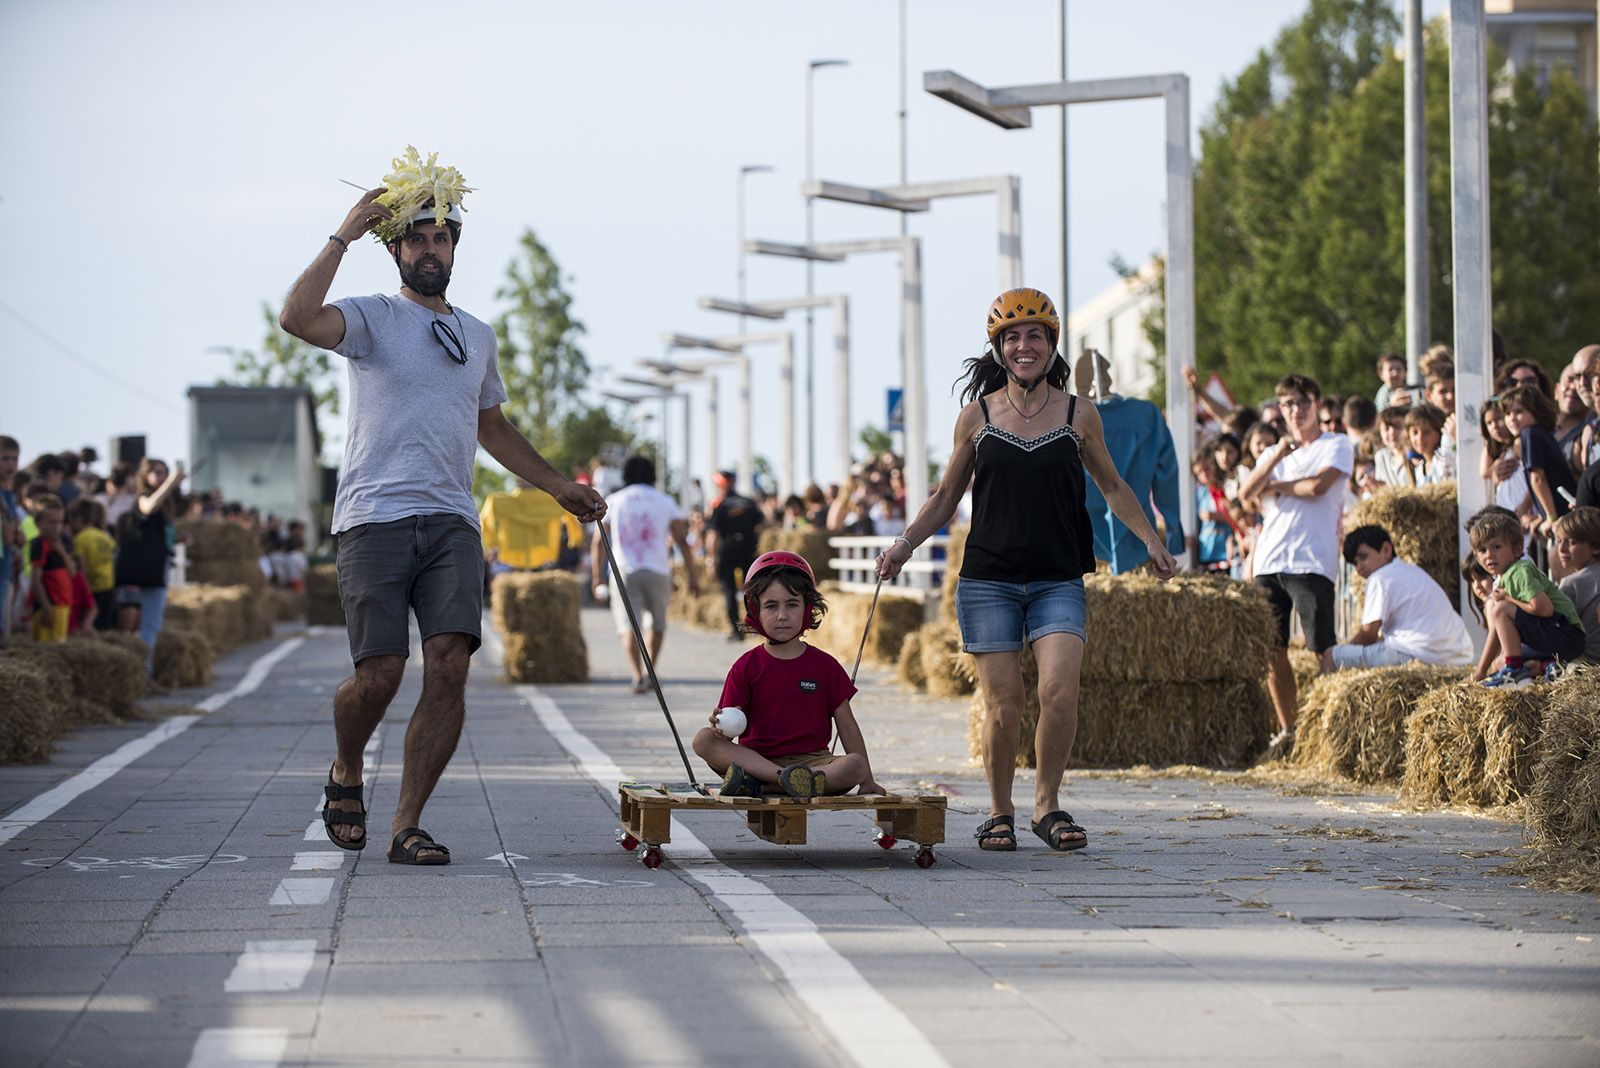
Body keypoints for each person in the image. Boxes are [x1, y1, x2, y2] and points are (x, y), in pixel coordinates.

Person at [278, 176, 605, 865]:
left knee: (450, 663)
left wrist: (556, 487)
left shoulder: (475, 335)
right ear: (396, 250)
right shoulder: (371, 318)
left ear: (455, 248)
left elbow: (492, 425)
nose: (430, 249)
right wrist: (345, 231)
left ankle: (407, 824)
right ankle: (346, 766)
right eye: (417, 239)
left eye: (441, 238)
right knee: (379, 677)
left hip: (452, 518)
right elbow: (297, 320)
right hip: (374, 518)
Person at [877, 288, 1177, 853]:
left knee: (1061, 691)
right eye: (1012, 337)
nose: (1024, 346)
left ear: (1051, 344)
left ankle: (1047, 805)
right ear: (998, 349)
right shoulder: (977, 416)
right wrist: (903, 545)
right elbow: (945, 497)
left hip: (1057, 577)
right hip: (988, 579)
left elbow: (1112, 484)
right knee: (1004, 702)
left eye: (1035, 335)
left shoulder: (1078, 413)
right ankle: (998, 811)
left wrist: (1151, 541)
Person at [692, 551, 882, 797]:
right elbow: (729, 728)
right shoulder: (746, 666)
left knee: (855, 764)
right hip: (757, 761)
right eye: (771, 606)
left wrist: (867, 780)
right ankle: (783, 780)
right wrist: (719, 726)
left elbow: (847, 726)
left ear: (807, 608)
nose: (782, 615)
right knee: (703, 739)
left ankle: (764, 785)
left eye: (792, 604)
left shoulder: (825, 666)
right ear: (755, 610)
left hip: (814, 764)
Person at [1238, 373, 1354, 757]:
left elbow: (1317, 487)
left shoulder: (1336, 444)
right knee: (1274, 649)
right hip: (1272, 558)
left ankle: (1328, 727)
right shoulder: (1277, 454)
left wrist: (1280, 486)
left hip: (1311, 558)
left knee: (1322, 648)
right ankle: (1290, 730)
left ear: (1318, 405)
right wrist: (1276, 457)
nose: (1297, 411)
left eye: (1303, 402)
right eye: (1288, 404)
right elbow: (1245, 492)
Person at [591, 455, 698, 692]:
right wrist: (693, 575)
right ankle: (651, 671)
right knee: (657, 623)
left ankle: (637, 674)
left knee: (628, 624)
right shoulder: (665, 501)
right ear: (653, 475)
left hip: (624, 569)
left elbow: (599, 541)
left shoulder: (615, 500)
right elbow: (681, 540)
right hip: (658, 569)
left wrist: (597, 575)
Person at [1468, 509, 1586, 686]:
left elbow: (1545, 609)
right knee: (1501, 657)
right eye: (1482, 550)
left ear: (1517, 549)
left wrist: (1509, 599)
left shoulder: (1519, 571)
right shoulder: (1504, 577)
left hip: (1566, 634)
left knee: (1501, 609)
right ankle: (1549, 666)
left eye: (1496, 547)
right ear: (1476, 556)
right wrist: (1480, 671)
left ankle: (1515, 671)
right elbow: (1497, 632)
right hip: (1560, 636)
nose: (1489, 555)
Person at [1329, 525, 1472, 669]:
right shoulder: (1413, 570)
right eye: (1355, 563)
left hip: (1416, 654)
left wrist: (1346, 651)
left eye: (1363, 557)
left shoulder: (1379, 578)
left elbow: (1368, 635)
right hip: (1457, 657)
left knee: (1331, 655)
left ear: (1386, 549)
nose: (1359, 568)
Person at [113, 457, 185, 669]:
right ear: (145, 477)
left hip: (156, 567)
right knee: (150, 623)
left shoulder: (165, 505)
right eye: (158, 472)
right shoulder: (143, 498)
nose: (163, 477)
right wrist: (172, 482)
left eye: (165, 472)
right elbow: (148, 507)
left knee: (151, 622)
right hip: (147, 571)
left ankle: (144, 668)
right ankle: (144, 670)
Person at [1502, 384, 1576, 541]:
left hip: (1562, 514)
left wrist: (1551, 517)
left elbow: (1538, 478)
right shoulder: (1541, 434)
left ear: (1536, 411)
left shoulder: (1529, 434)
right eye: (1508, 413)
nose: (1511, 418)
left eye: (1519, 412)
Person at [703, 470, 764, 642]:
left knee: (729, 591)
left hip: (728, 551)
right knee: (753, 589)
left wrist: (710, 560)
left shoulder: (720, 505)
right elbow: (762, 525)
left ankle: (736, 630)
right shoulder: (748, 502)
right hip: (748, 550)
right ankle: (756, 625)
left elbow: (713, 534)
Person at [1553, 507, 1600, 663]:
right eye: (1559, 541)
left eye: (1571, 542)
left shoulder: (1572, 583)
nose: (1561, 548)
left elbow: (1554, 631)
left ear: (1595, 548)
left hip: (1587, 663)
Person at [26, 494, 73, 643]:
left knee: (59, 645)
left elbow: (73, 572)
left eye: (59, 522)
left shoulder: (61, 543)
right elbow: (36, 579)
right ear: (38, 522)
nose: (56, 527)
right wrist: (45, 606)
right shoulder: (39, 544)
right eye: (51, 522)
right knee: (47, 648)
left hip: (62, 605)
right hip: (49, 606)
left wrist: (62, 552)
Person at [66, 497, 116, 630]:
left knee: (88, 624)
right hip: (109, 585)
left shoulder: (80, 539)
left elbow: (82, 568)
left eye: (71, 520)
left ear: (78, 519)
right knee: (104, 626)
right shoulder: (104, 536)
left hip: (93, 587)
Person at [1404, 405, 1454, 485]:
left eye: (1427, 432)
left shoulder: (1444, 460)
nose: (1420, 438)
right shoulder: (1419, 469)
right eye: (1415, 432)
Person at [0, 436, 19, 639]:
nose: (11, 464)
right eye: (5, 458)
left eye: (14, 459)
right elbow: (7, 537)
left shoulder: (8, 494)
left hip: (6, 566)